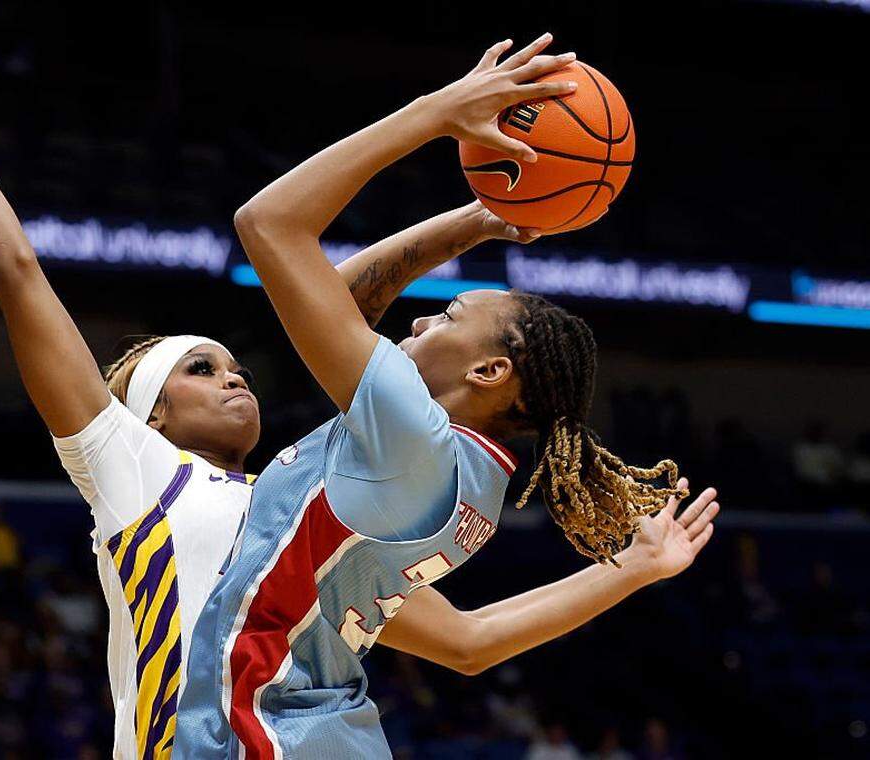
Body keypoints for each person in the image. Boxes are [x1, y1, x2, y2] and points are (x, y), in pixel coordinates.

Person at [0, 45, 539, 760]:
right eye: (202, 369)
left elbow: (463, 640)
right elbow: (15, 270)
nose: (236, 380)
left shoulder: (299, 517)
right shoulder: (130, 465)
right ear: (153, 414)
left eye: (238, 370)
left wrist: (637, 566)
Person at [174, 34, 720, 759]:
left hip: (273, 741)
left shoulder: (408, 438)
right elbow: (468, 642)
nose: (423, 317)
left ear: (490, 373)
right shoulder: (465, 482)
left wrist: (438, 113)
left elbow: (268, 224)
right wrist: (483, 216)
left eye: (452, 314)